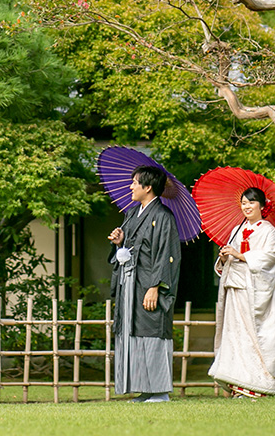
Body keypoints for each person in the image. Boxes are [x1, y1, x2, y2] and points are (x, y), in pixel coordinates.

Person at [107, 165, 181, 403]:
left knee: (151, 331)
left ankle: (159, 390)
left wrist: (155, 287)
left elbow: (166, 255)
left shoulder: (163, 216)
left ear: (148, 187)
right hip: (130, 283)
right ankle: (145, 389)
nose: (131, 186)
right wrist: (119, 241)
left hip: (148, 284)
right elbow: (130, 248)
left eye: (135, 182)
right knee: (133, 332)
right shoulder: (131, 214)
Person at [208, 187, 275, 397]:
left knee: (256, 335)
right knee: (235, 335)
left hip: (254, 291)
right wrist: (225, 258)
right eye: (243, 202)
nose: (246, 206)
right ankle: (238, 385)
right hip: (235, 288)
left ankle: (258, 385)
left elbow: (271, 257)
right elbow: (229, 260)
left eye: (251, 202)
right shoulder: (237, 228)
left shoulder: (268, 230)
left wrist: (241, 255)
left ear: (262, 206)